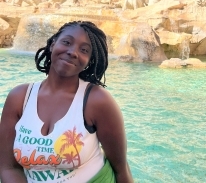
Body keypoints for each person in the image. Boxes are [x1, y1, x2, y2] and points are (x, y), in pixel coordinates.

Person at [0, 21, 134, 183]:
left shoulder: (97, 101)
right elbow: (7, 167)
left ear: (89, 60)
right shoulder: (19, 97)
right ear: (52, 44)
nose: (73, 52)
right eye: (67, 42)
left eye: (84, 50)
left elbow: (121, 169)